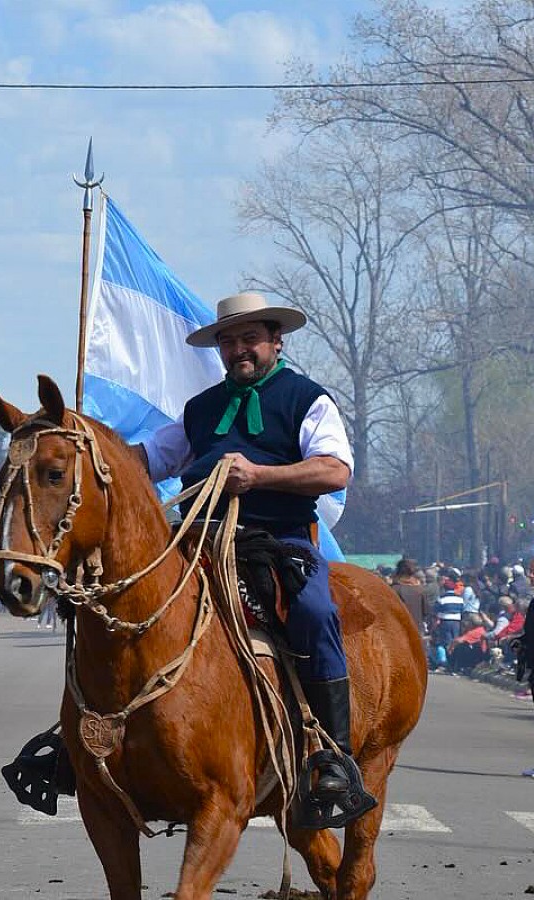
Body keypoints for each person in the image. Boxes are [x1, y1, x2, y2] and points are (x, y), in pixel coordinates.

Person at [137, 291, 363, 816]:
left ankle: (332, 754)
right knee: (120, 600)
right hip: (196, 539)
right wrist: (87, 445)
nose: (239, 349)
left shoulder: (307, 399)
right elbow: (149, 458)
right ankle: (81, 737)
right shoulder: (199, 410)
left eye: (249, 339)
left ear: (275, 342)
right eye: (228, 341)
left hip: (278, 543)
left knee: (314, 611)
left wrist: (259, 476)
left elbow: (335, 470)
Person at [391, 558, 430, 637]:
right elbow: (426, 612)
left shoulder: (393, 589)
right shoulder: (420, 590)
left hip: (398, 632)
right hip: (417, 630)